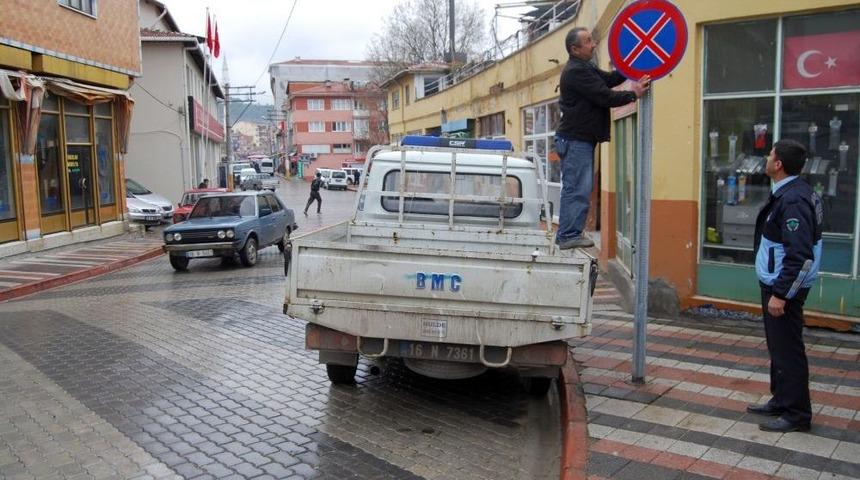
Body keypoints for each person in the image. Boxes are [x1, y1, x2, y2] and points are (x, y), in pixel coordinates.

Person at [746, 139, 823, 433]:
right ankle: (781, 399)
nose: (766, 158)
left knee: (788, 350)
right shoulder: (790, 192)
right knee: (778, 348)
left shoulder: (793, 200)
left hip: (784, 288)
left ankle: (797, 414)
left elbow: (800, 254)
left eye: (770, 154)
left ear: (778, 165)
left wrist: (781, 294)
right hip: (776, 282)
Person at [555, 27, 650, 249]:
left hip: (580, 139)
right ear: (575, 49)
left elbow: (609, 79)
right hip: (575, 139)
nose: (594, 44)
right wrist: (633, 93)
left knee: (580, 187)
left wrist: (631, 65)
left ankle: (569, 234)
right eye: (588, 41)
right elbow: (604, 96)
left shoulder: (585, 67)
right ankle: (568, 235)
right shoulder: (575, 71)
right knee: (577, 187)